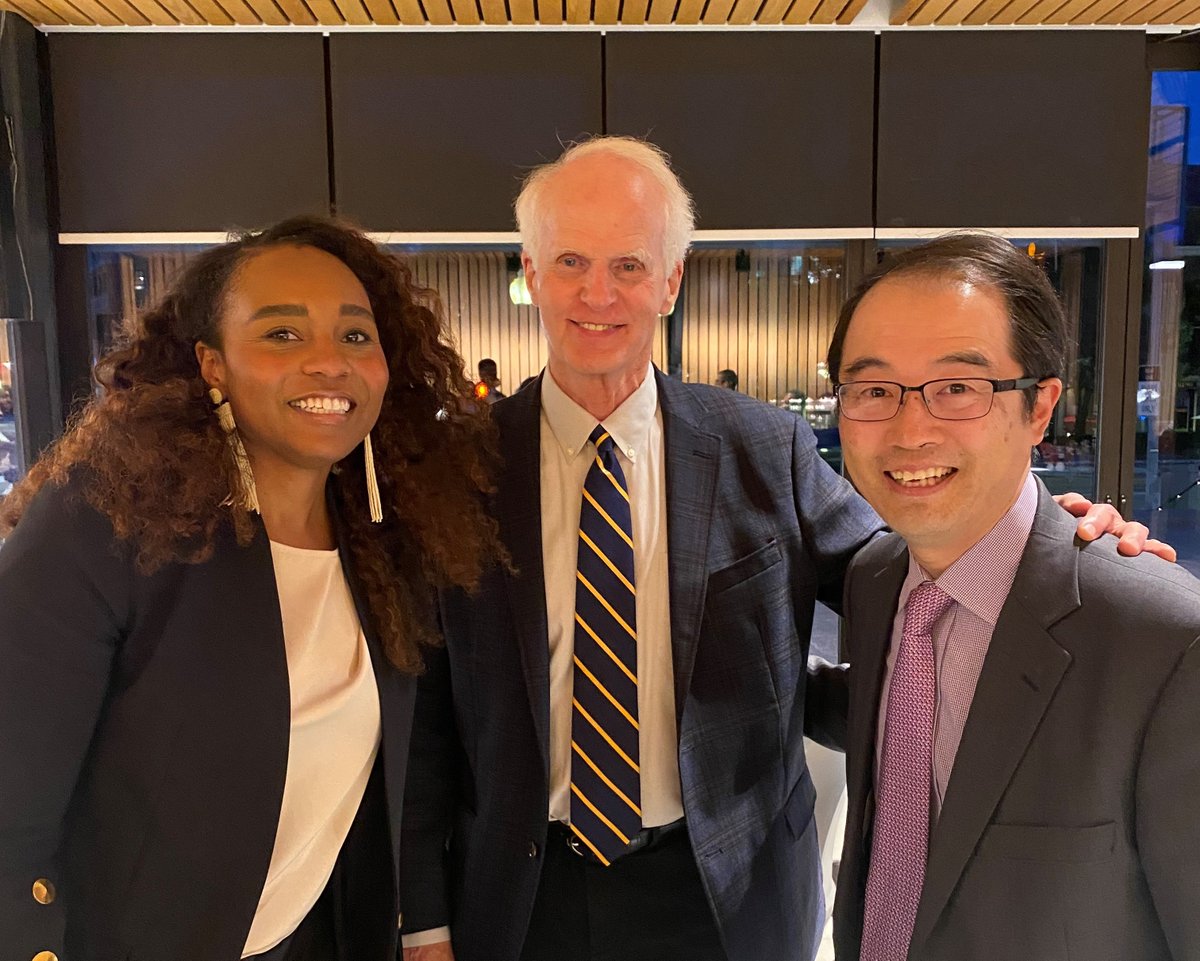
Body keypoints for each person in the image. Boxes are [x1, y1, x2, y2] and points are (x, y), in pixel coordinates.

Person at [398, 138, 1161, 961]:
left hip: (729, 893)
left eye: (628, 263)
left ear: (671, 280)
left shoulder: (764, 448)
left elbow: (913, 591)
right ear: (532, 272)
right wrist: (426, 923)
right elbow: (424, 723)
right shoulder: (460, 469)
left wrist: (1050, 547)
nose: (597, 292)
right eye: (572, 260)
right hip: (520, 899)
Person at [0, 217, 501, 961]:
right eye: (282, 335)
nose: (330, 362)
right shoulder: (106, 524)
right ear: (212, 363)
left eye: (357, 336)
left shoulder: (386, 546)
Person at [828, 233, 1200, 961]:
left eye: (958, 388)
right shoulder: (874, 584)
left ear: (1040, 407)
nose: (909, 430)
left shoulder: (1164, 642)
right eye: (874, 390)